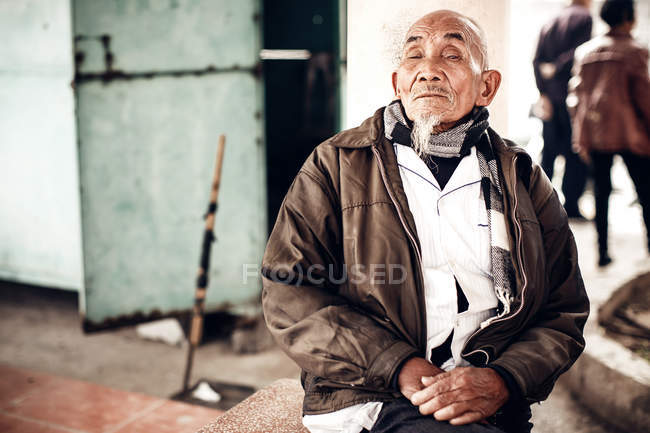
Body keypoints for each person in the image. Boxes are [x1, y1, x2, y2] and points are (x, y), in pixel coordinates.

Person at [262, 10, 589, 433]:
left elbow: (564, 309)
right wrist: (395, 363)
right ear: (399, 83)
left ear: (486, 86)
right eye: (414, 57)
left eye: (451, 56)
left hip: (490, 395)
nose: (429, 71)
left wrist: (504, 378)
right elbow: (288, 288)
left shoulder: (521, 176)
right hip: (371, 391)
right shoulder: (336, 164)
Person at [569, 0, 650, 267]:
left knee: (601, 195)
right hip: (631, 134)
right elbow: (644, 98)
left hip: (595, 134)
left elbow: (575, 98)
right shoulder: (635, 51)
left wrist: (580, 134)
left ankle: (602, 253)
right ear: (628, 18)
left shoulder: (585, 51)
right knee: (646, 192)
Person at [533, 0, 592, 219]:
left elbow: (536, 59)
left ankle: (538, 204)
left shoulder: (550, 21)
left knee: (548, 153)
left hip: (551, 99)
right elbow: (580, 53)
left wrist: (543, 93)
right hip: (572, 99)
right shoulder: (584, 18)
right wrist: (558, 68)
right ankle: (572, 207)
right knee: (574, 153)